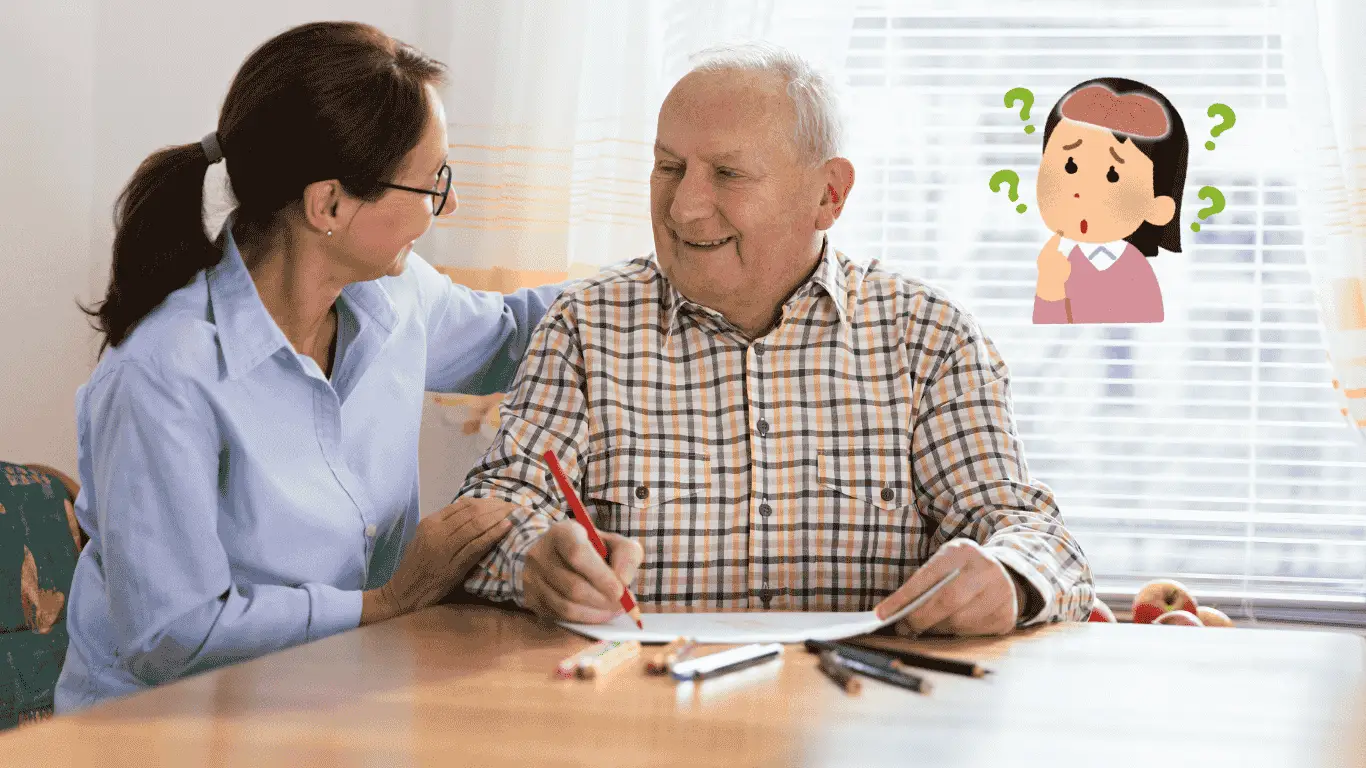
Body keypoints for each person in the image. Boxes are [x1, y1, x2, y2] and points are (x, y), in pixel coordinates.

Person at [459, 42, 1094, 637]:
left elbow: (1033, 534)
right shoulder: (583, 325)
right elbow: (489, 520)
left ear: (829, 194)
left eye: (728, 175)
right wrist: (531, 561)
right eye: (669, 167)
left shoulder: (929, 338)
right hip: (639, 716)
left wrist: (1008, 579)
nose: (683, 207)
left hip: (859, 724)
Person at [56, 21, 566, 712]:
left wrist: (666, 269)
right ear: (329, 203)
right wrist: (386, 602)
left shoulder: (395, 295)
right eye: (430, 182)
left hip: (334, 707)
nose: (445, 204)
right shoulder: (163, 372)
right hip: (164, 733)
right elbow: (172, 633)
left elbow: (516, 334)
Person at [1032, 78, 1189, 324]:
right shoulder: (1065, 262)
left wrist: (1052, 291)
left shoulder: (1133, 273)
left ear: (1159, 208)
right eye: (1070, 166)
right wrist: (1049, 287)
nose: (1080, 191)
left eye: (1112, 175)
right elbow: (1050, 331)